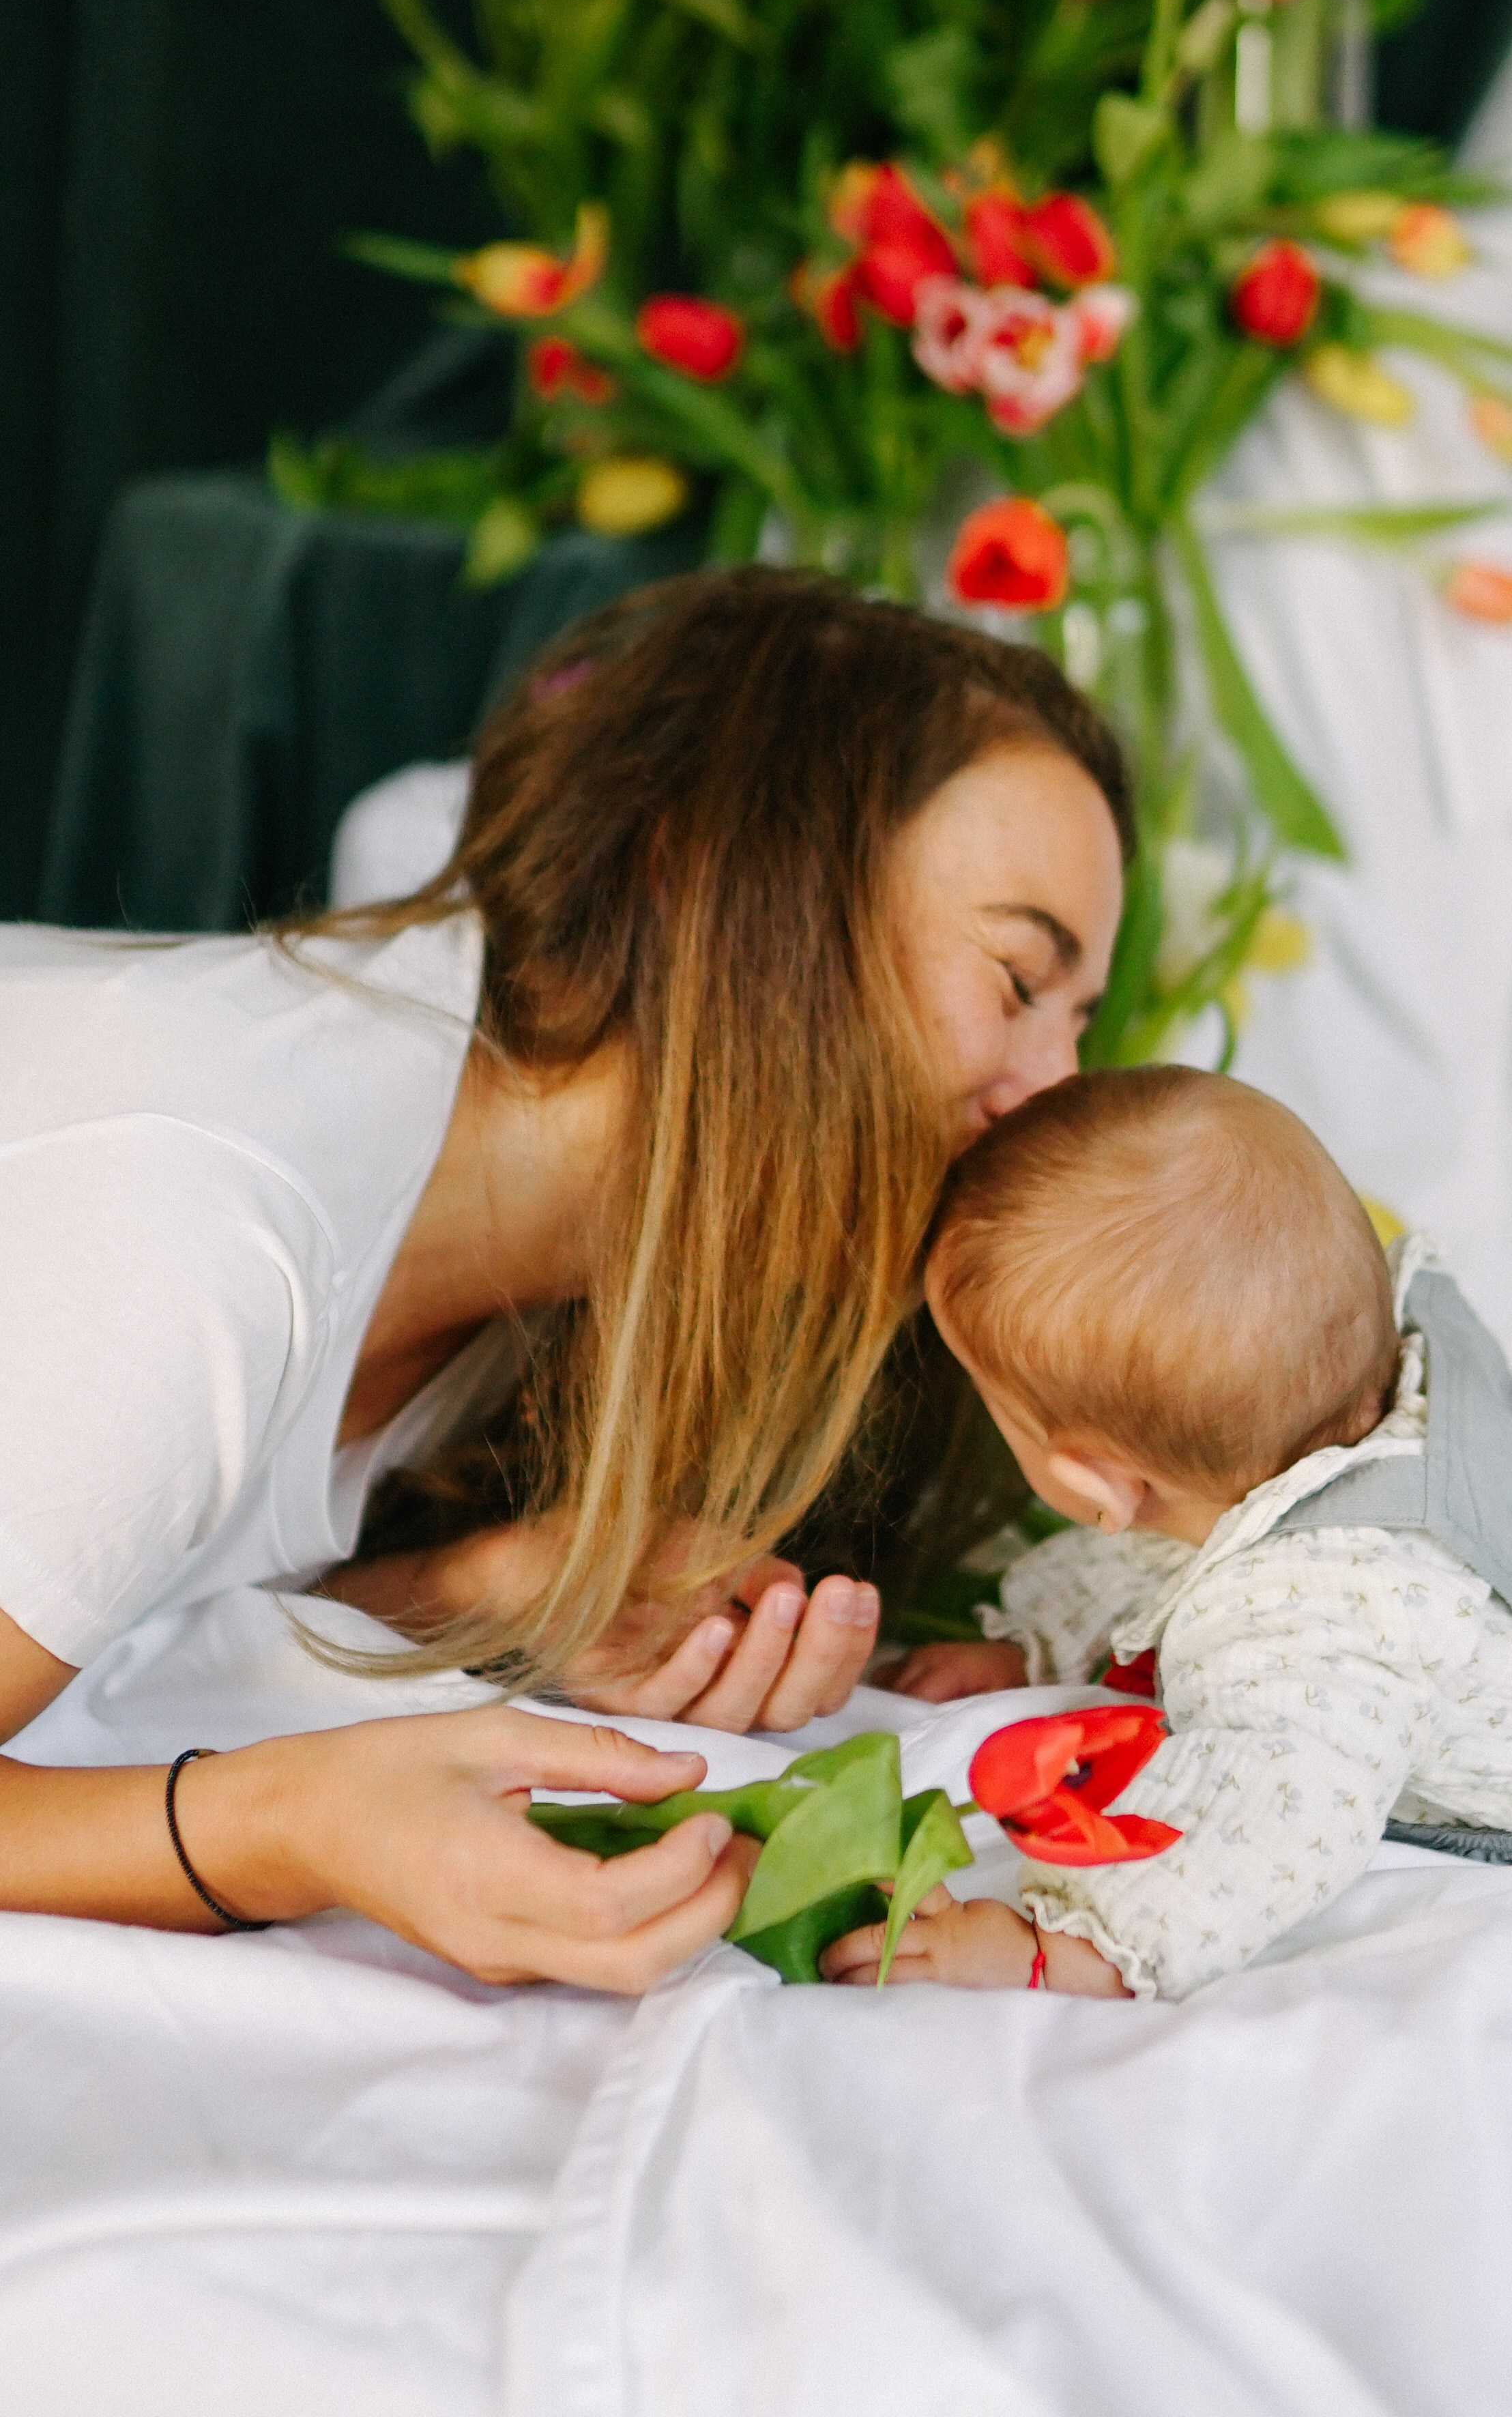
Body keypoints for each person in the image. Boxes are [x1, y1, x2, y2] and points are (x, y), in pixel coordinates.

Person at [0, 568, 1129, 1988]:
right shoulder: (200, 1223)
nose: (1054, 1101)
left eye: (1079, 1028)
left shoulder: (503, 1232)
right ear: (716, 887)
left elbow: (123, 1555)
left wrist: (473, 1588)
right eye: (1018, 986)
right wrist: (293, 1823)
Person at [822, 1065, 1512, 2002]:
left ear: (1094, 1485)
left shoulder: (1316, 1636)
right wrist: (1029, 1646)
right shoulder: (1354, 1375)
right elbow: (1170, 1546)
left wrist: (1055, 1949)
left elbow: (1254, 1833)